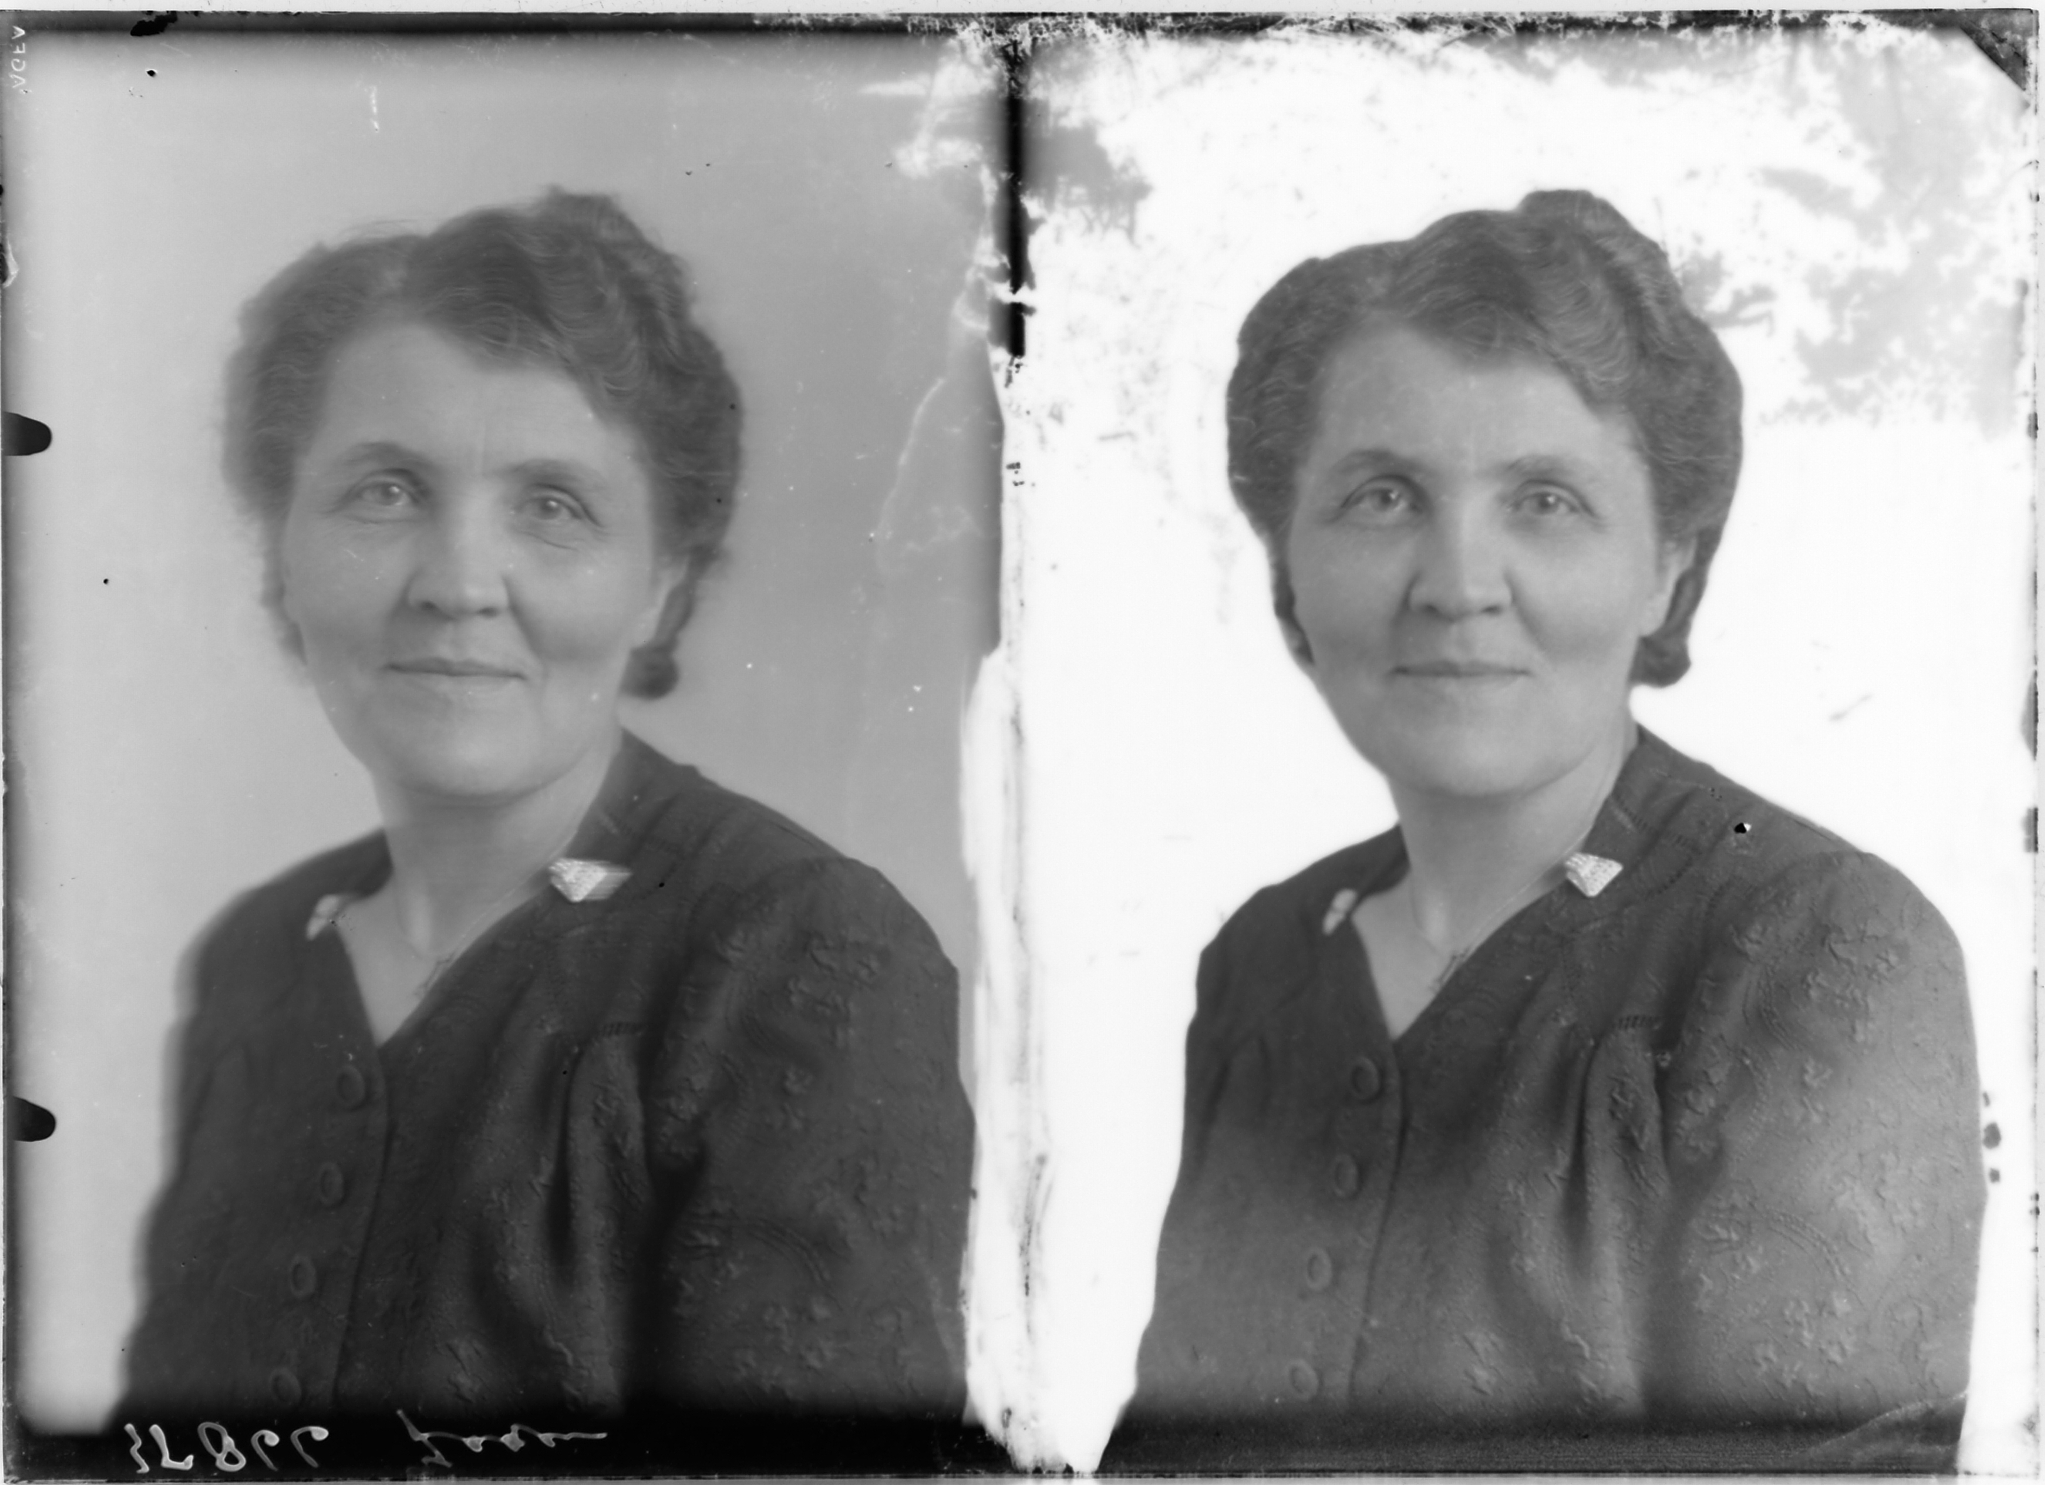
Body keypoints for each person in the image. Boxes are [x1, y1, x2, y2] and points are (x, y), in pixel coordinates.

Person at [1115, 191, 1984, 1471]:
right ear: (1284, 567)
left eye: (1544, 500)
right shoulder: (1266, 956)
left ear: (1666, 567)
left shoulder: (1814, 947)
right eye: (1380, 496)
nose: (1457, 585)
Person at [123, 192, 974, 1442]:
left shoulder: (796, 955)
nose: (459, 584)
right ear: (281, 551)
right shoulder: (256, 958)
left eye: (553, 505)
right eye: (384, 491)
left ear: (662, 583)